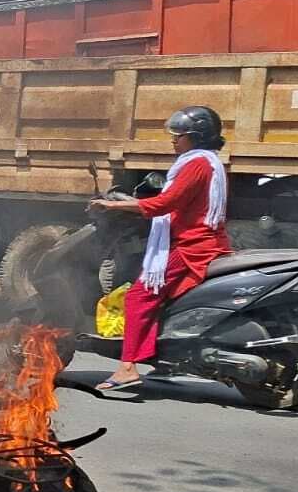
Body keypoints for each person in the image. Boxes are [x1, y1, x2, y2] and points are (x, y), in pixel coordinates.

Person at [91, 106, 232, 391]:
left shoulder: (196, 165)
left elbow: (165, 204)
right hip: (203, 240)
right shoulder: (208, 161)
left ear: (195, 137)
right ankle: (164, 361)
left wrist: (114, 205)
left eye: (179, 134)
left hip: (191, 246)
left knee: (138, 297)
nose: (174, 139)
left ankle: (127, 367)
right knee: (164, 299)